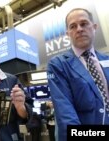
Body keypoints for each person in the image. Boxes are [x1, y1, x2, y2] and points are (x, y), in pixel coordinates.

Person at [47, 8, 109, 141]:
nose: (79, 29)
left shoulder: (106, 60)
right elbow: (65, 114)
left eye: (84, 23)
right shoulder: (58, 64)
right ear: (68, 33)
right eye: (73, 26)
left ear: (94, 26)